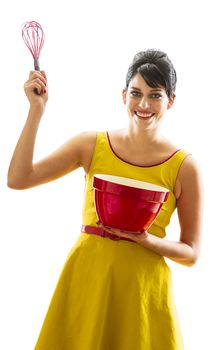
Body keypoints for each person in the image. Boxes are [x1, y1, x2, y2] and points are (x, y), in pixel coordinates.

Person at [7, 49, 203, 350]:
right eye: (136, 93)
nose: (143, 104)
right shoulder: (91, 145)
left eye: (155, 95)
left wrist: (148, 241)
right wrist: (36, 111)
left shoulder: (184, 167)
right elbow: (19, 179)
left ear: (171, 101)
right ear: (123, 94)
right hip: (88, 279)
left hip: (143, 291)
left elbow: (190, 252)